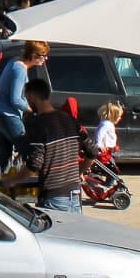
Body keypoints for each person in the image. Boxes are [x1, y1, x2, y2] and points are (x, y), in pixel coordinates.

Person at [19, 81, 89, 215]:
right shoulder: (69, 119)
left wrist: (12, 180)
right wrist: (78, 173)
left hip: (54, 199)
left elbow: (35, 164)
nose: (27, 102)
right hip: (75, 195)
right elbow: (92, 152)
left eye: (27, 98)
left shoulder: (39, 124)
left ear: (31, 96)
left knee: (54, 234)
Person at [0, 40, 48, 174]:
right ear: (34, 56)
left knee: (5, 151)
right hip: (8, 115)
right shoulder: (20, 70)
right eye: (43, 56)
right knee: (27, 151)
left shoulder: (14, 61)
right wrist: (31, 110)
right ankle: (23, 184)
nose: (45, 59)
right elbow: (15, 99)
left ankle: (1, 181)